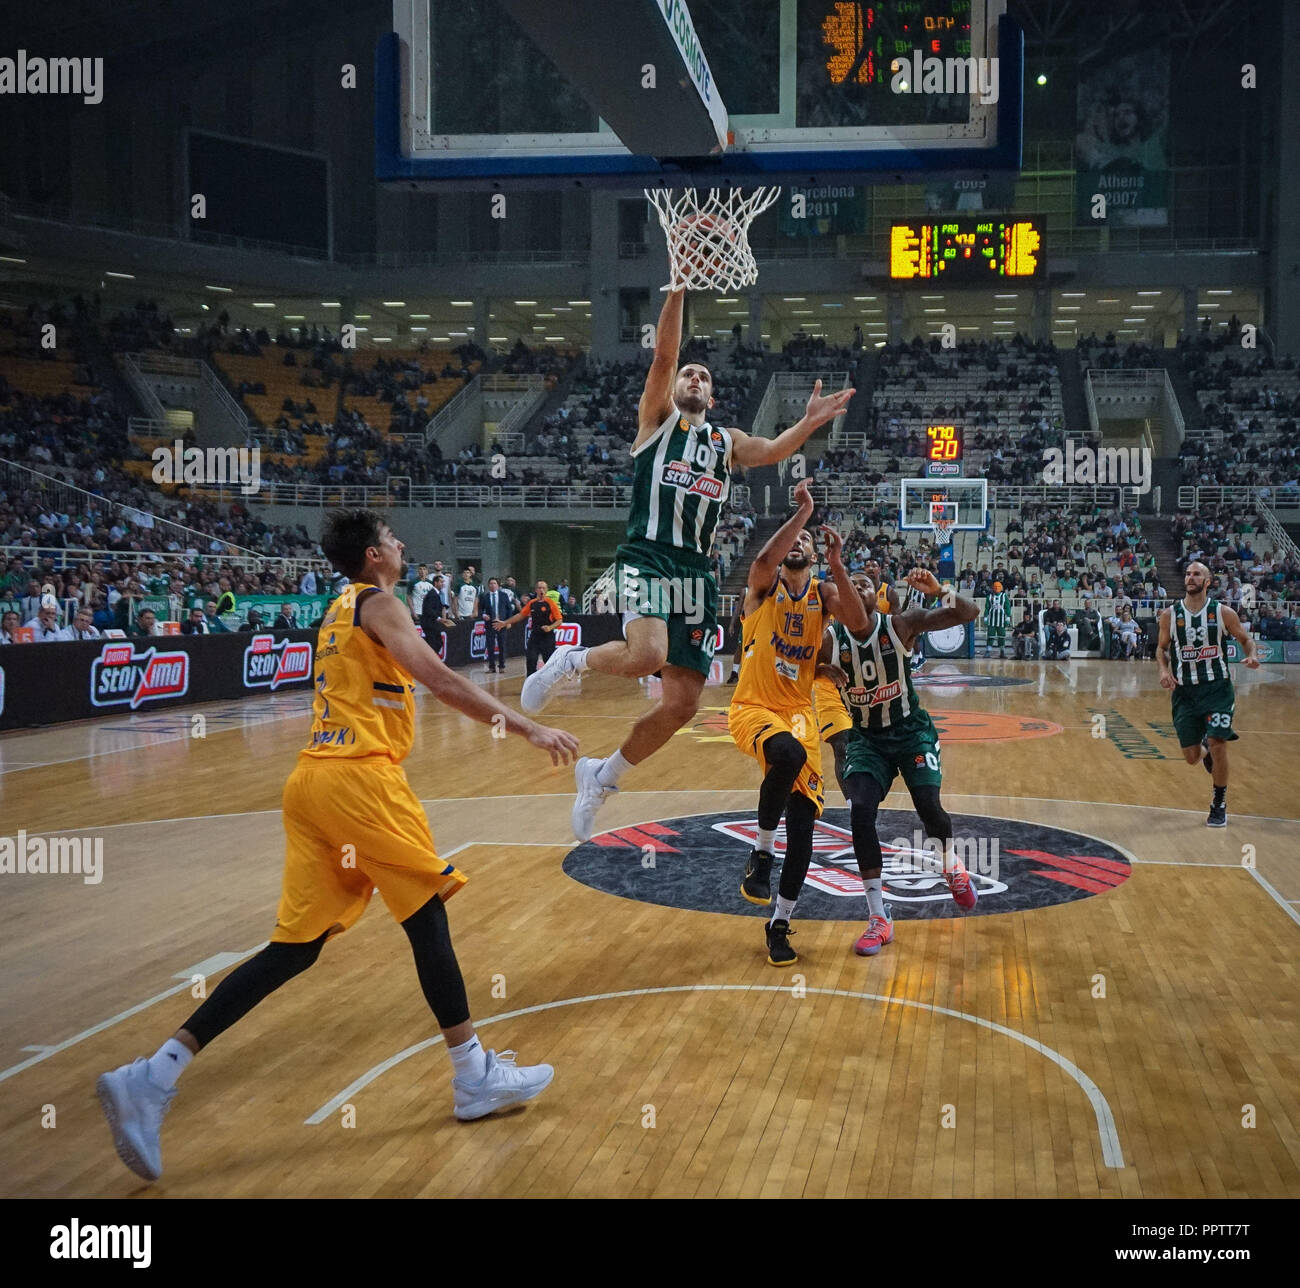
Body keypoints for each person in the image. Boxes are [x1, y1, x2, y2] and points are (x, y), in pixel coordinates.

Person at [95, 511, 580, 1183]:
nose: (404, 544)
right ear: (375, 554)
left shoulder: (340, 606)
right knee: (427, 913)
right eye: (394, 537)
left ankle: (152, 1075)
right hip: (360, 779)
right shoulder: (381, 602)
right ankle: (473, 1076)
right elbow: (436, 677)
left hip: (312, 782)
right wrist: (527, 728)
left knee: (294, 949)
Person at [520, 285, 854, 842]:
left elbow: (773, 450)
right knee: (647, 652)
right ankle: (570, 660)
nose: (694, 379)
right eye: (688, 375)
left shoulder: (726, 442)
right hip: (646, 557)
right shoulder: (655, 422)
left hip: (695, 572)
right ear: (674, 390)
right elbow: (664, 354)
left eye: (704, 377)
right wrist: (677, 289)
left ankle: (601, 777)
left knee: (681, 704)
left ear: (714, 397)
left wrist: (810, 424)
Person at [728, 481, 869, 966]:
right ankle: (761, 852)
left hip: (799, 716)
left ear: (810, 557)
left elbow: (857, 621)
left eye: (804, 541)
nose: (796, 544)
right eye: (792, 540)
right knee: (784, 753)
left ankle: (780, 923)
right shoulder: (762, 592)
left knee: (805, 830)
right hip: (753, 707)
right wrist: (802, 514)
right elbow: (762, 562)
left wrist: (837, 566)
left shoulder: (822, 595)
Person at [819, 567, 980, 955]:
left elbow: (968, 614)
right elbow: (791, 665)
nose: (856, 588)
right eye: (850, 584)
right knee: (860, 814)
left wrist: (941, 589)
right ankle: (878, 917)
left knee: (928, 807)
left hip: (910, 733)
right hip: (867, 740)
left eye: (865, 585)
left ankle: (950, 864)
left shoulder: (901, 624)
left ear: (879, 597)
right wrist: (818, 669)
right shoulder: (829, 639)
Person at [1157, 561, 1258, 827]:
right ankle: (1203, 745)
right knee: (1192, 758)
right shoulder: (1170, 615)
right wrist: (1163, 671)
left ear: (1208, 581)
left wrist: (1252, 655)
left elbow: (1245, 639)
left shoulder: (1223, 613)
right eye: (1188, 573)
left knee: (1219, 742)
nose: (1190, 577)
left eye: (1197, 574)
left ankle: (1218, 803)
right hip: (1185, 693)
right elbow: (1161, 649)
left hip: (1217, 690)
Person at [499, 581, 563, 675]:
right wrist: (505, 622)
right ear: (536, 590)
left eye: (543, 588)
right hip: (535, 636)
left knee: (548, 661)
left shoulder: (551, 603)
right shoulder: (532, 603)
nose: (541, 590)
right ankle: (530, 682)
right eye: (539, 588)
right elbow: (521, 615)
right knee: (531, 660)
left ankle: (550, 681)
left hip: (547, 637)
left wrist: (550, 627)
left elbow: (559, 620)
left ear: (546, 590)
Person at [478, 577, 515, 674]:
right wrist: (483, 615)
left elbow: (509, 609)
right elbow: (480, 609)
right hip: (490, 624)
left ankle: (502, 666)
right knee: (490, 646)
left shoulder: (503, 595)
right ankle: (491, 666)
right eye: (490, 583)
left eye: (494, 583)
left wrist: (508, 621)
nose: (492, 585)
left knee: (502, 645)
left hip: (501, 623)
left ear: (498, 585)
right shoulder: (484, 596)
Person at [420, 577, 457, 658]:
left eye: (443, 582)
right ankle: (430, 660)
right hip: (429, 624)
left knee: (438, 642)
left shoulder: (436, 594)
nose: (442, 584)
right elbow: (428, 609)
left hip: (434, 624)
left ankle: (431, 660)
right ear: (435, 583)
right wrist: (438, 618)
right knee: (434, 643)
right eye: (441, 582)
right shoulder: (432, 594)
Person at [983, 580, 1011, 657]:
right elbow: (987, 607)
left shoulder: (1004, 596)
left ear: (1001, 588)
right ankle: (988, 651)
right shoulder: (989, 597)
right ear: (993, 588)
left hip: (1001, 619)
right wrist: (985, 617)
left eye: (998, 587)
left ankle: (1002, 652)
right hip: (991, 619)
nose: (996, 588)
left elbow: (1007, 607)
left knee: (1001, 636)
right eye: (995, 587)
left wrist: (1008, 618)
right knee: (990, 636)